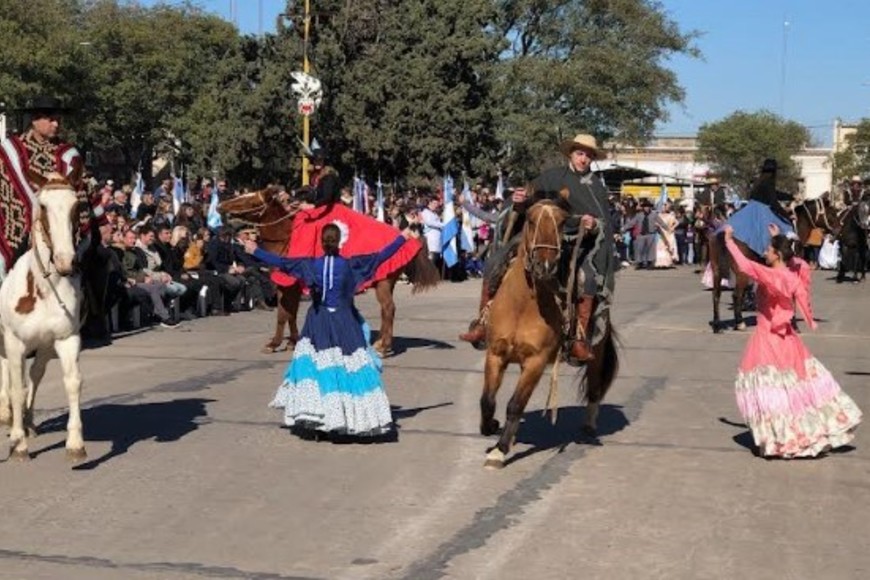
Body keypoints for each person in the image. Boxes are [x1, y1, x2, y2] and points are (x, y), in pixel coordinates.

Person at [459, 133, 615, 365]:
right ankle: (482, 323)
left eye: (588, 155)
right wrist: (519, 200)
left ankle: (579, 339)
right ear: (571, 154)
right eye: (579, 153)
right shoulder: (549, 177)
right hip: (538, 238)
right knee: (494, 263)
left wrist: (593, 225)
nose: (583, 159)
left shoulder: (596, 187)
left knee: (589, 279)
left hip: (576, 245)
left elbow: (605, 223)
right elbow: (524, 204)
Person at [244, 225, 414, 437]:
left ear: (322, 243)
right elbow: (380, 257)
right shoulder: (351, 264)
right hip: (345, 319)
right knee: (348, 367)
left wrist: (255, 251)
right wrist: (402, 238)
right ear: (340, 241)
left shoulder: (309, 265)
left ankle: (321, 415)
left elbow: (282, 262)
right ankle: (351, 418)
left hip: (319, 319)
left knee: (318, 368)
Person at [722, 224, 861, 458]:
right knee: (792, 388)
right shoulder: (793, 274)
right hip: (787, 337)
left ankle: (779, 438)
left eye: (768, 249)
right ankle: (792, 433)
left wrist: (728, 241)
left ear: (777, 254)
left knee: (767, 389)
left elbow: (744, 266)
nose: (765, 252)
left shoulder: (770, 274)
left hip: (768, 338)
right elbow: (795, 267)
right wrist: (779, 238)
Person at [0, 95, 111, 341]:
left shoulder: (67, 154)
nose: (56, 124)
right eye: (50, 119)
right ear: (35, 120)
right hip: (13, 225)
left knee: (102, 256)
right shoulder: (10, 150)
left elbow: (85, 186)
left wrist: (101, 222)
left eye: (57, 119)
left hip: (63, 227)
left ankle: (93, 316)